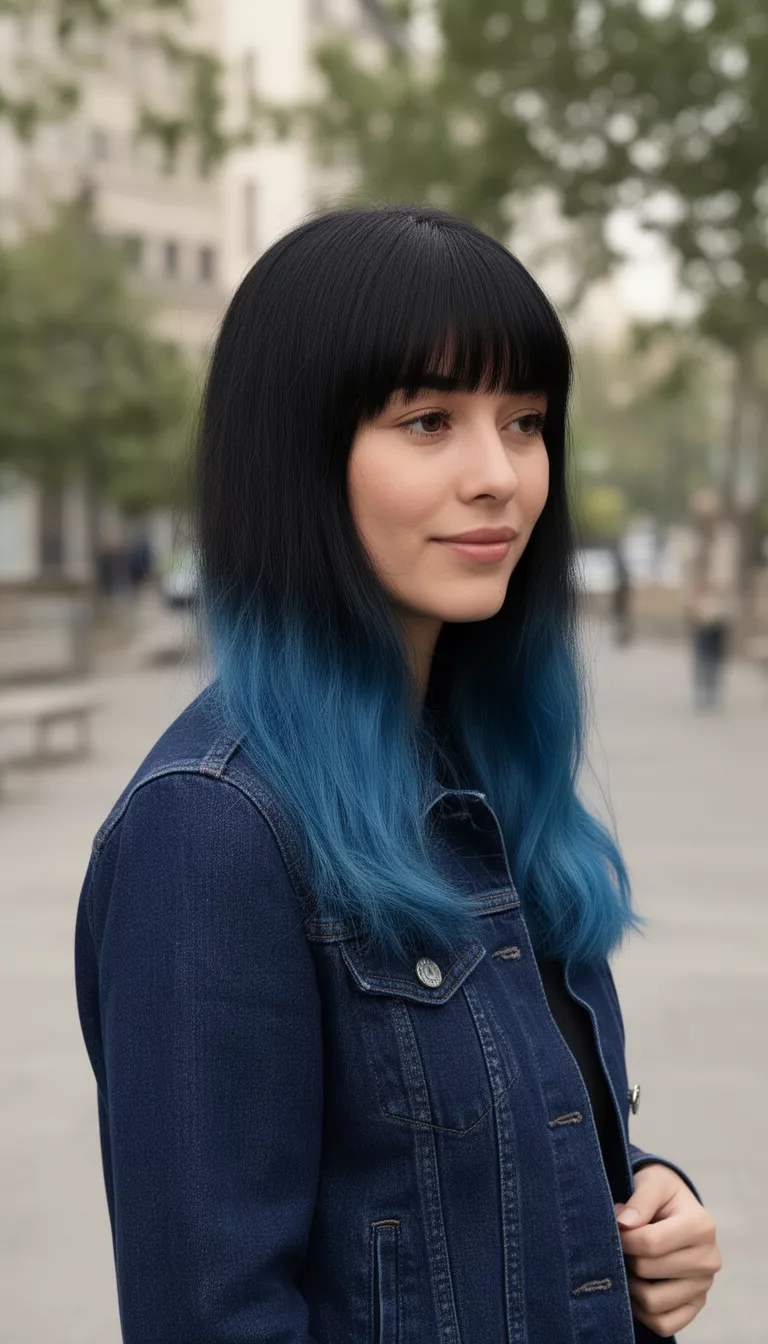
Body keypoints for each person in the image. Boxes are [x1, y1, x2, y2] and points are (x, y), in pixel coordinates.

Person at [74, 206, 721, 1343]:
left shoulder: (484, 774)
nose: (500, 477)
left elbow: (441, 1179)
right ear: (299, 455)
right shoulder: (213, 828)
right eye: (428, 420)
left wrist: (640, 1208)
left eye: (525, 421)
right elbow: (212, 1313)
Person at [681, 487, 740, 711]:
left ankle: (714, 686)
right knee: (701, 646)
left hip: (721, 602)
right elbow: (686, 572)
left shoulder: (726, 537)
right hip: (698, 603)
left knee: (718, 647)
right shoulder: (691, 539)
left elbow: (729, 572)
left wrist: (718, 585)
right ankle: (703, 688)